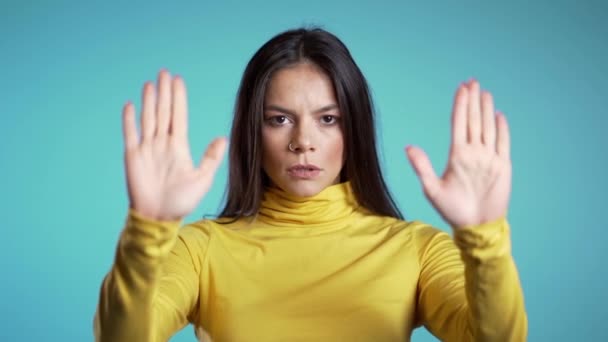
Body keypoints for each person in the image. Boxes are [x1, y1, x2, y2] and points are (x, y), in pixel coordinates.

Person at [93, 27, 527, 341]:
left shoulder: (416, 248)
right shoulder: (201, 248)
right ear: (253, 131)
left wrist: (484, 239)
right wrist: (146, 229)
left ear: (353, 128)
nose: (303, 142)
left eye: (328, 119)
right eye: (279, 119)